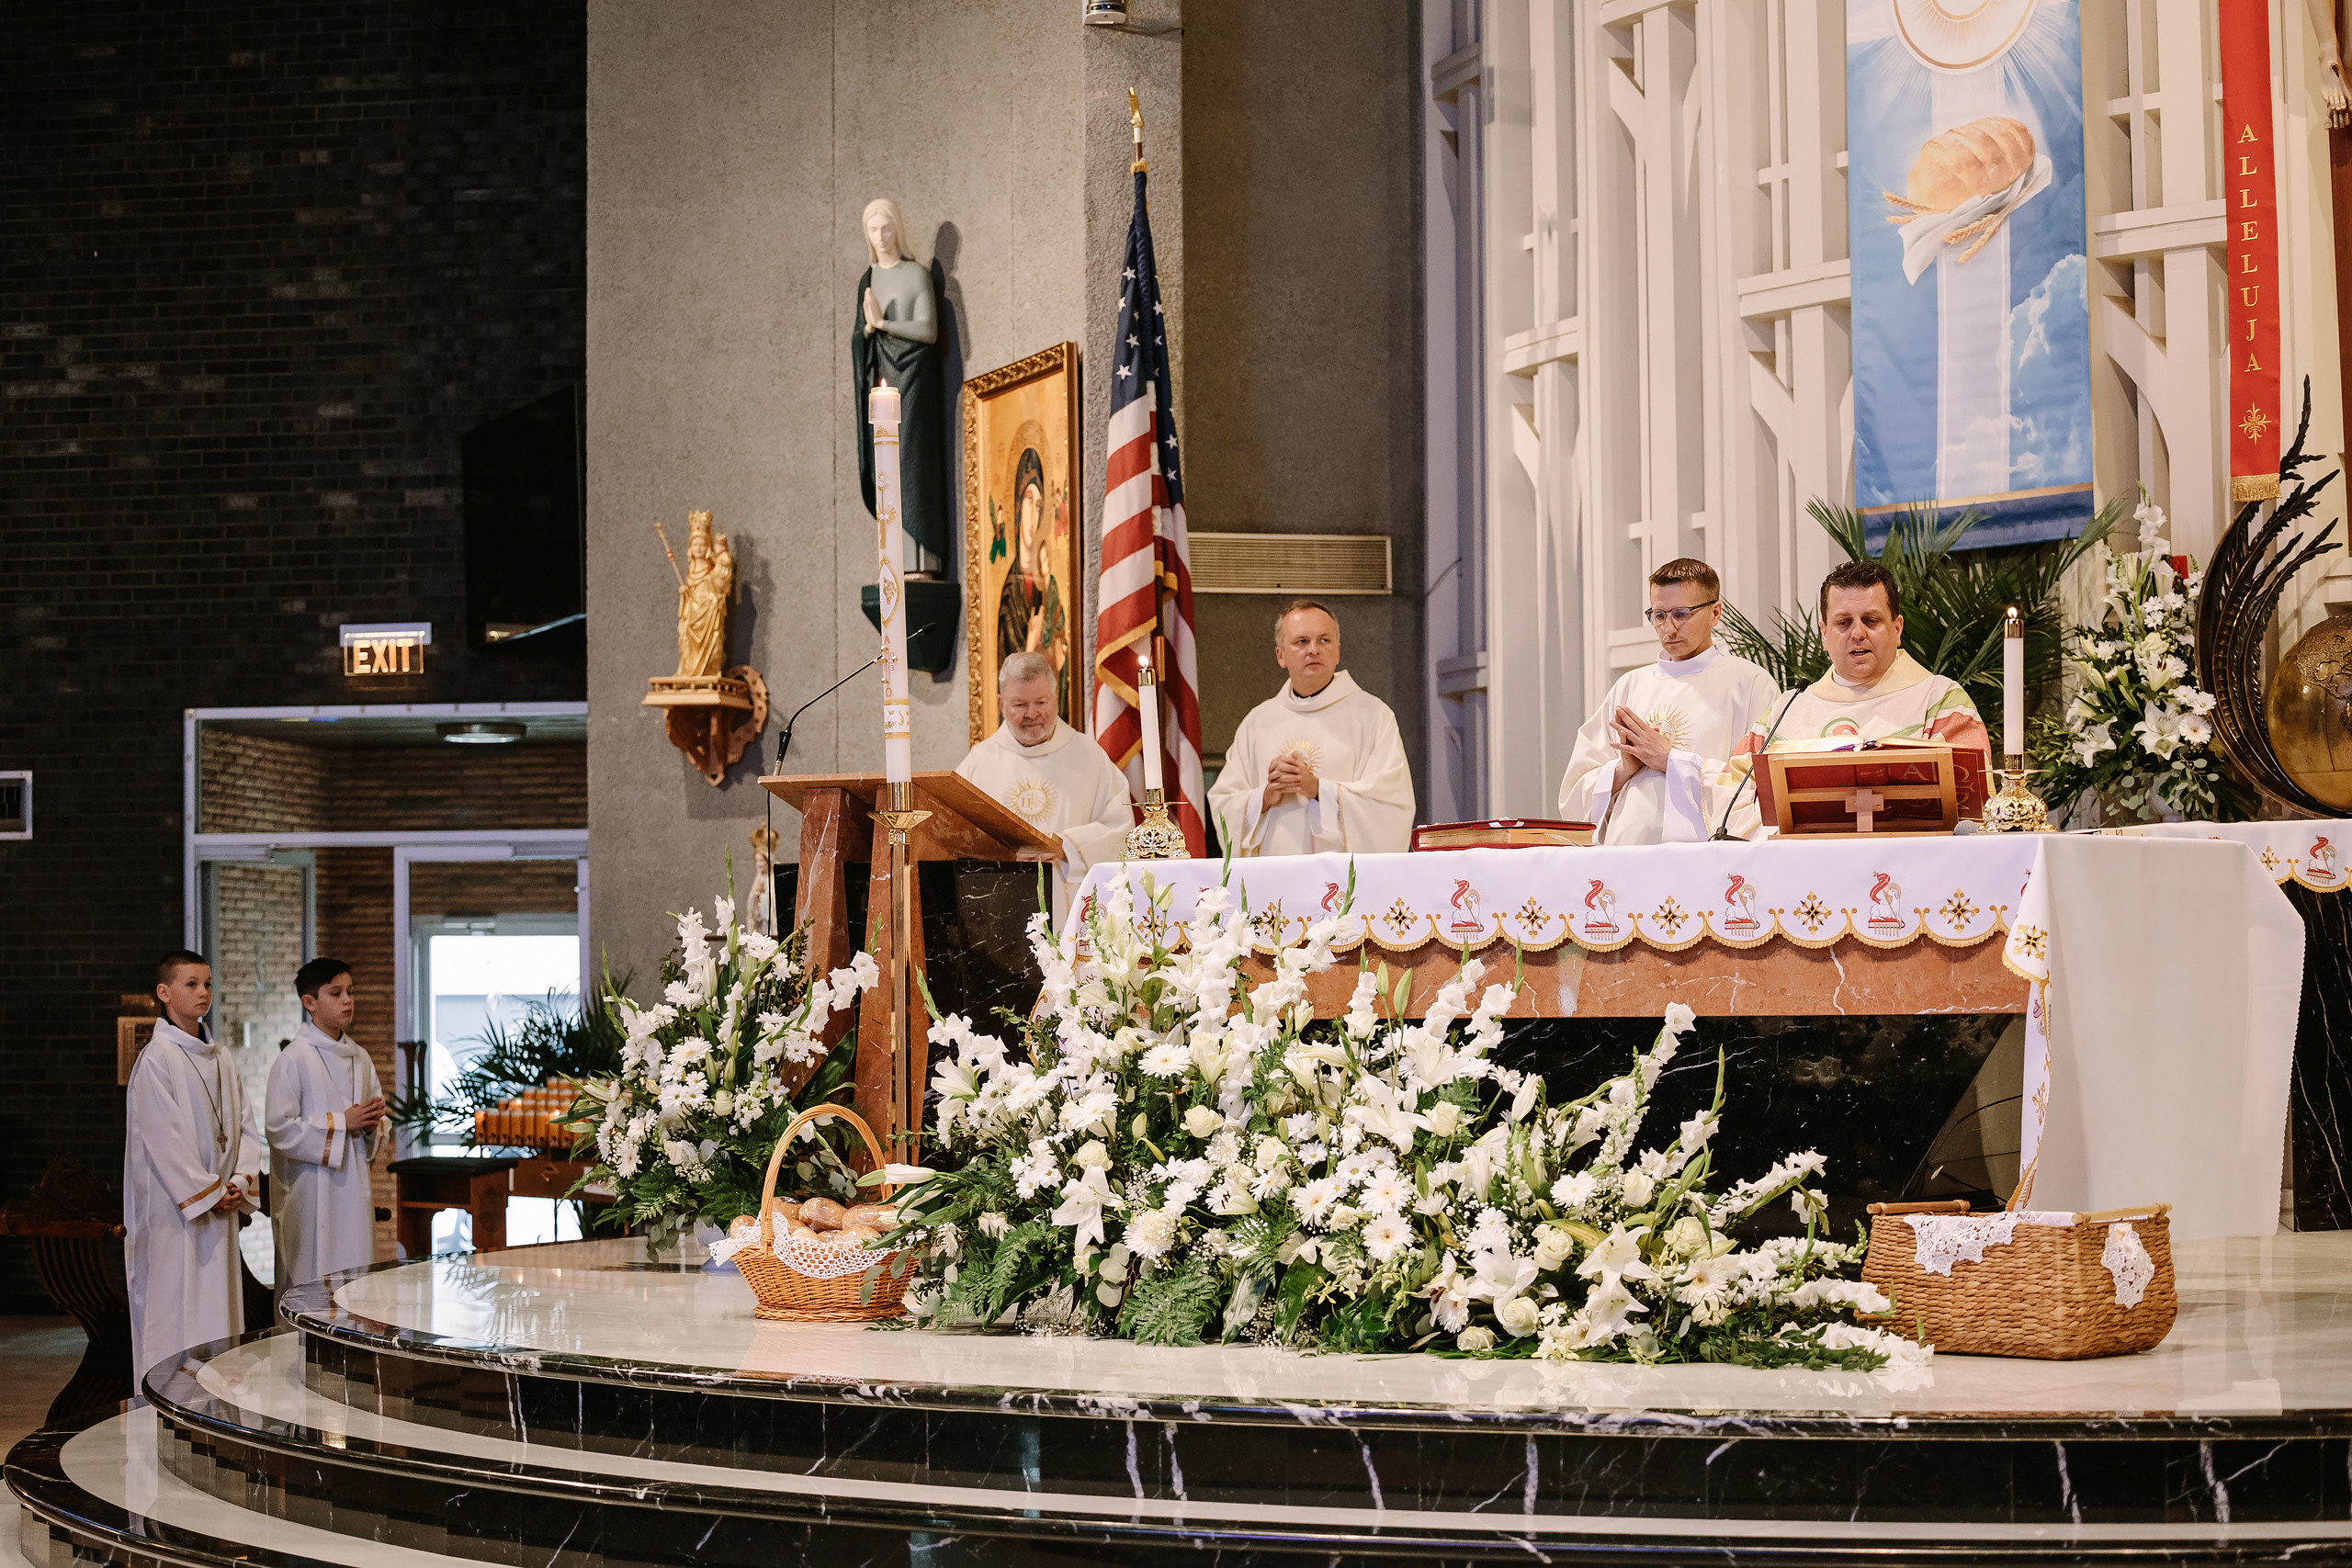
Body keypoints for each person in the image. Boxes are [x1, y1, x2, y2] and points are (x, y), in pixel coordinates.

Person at [1557, 558, 1781, 842]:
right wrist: (1623, 769)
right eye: (1659, 615)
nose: (1669, 628)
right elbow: (1574, 792)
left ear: (1715, 613)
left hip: (1703, 862)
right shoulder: (1629, 686)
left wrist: (1670, 760)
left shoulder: (1750, 685)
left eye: (1681, 614)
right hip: (1625, 856)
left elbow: (1758, 789)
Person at [125, 950, 260, 1390]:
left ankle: (217, 1403)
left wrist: (239, 1181)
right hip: (175, 1215)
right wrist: (207, 1191)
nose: (203, 993)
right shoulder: (156, 1058)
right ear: (164, 993)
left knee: (216, 1311)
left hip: (217, 1207)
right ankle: (167, 1400)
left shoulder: (222, 1057)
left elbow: (245, 1128)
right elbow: (162, 1137)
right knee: (173, 1309)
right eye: (191, 984)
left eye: (207, 983)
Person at [1207, 599, 1416, 857]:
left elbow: (1391, 807)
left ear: (1337, 651)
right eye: (1302, 641)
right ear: (1281, 655)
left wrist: (1318, 789)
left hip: (1340, 886)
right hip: (1273, 878)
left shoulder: (1373, 716)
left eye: (1324, 640)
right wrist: (1266, 794)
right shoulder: (1258, 722)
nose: (1314, 650)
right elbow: (1223, 802)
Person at [1741, 558, 1992, 770]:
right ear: (1824, 634)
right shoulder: (1786, 711)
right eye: (1843, 623)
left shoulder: (1940, 702)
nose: (1858, 633)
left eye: (1871, 620)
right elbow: (1733, 789)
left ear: (1897, 628)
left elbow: (1968, 804)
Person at [956, 651, 1136, 920]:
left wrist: (1067, 847)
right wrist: (1003, 852)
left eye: (1041, 701)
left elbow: (1120, 825)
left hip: (1071, 909)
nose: (1032, 714)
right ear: (1001, 704)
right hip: (998, 911)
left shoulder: (1088, 755)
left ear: (1055, 696)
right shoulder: (979, 763)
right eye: (1019, 704)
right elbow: (955, 835)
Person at [266, 957, 386, 1296]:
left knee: (357, 1285)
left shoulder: (360, 1056)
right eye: (336, 993)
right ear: (310, 1003)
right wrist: (340, 1123)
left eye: (350, 992)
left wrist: (373, 1122)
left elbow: (374, 1121)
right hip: (310, 1193)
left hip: (353, 1192)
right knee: (312, 1287)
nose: (348, 1000)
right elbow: (278, 1129)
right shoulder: (293, 1058)